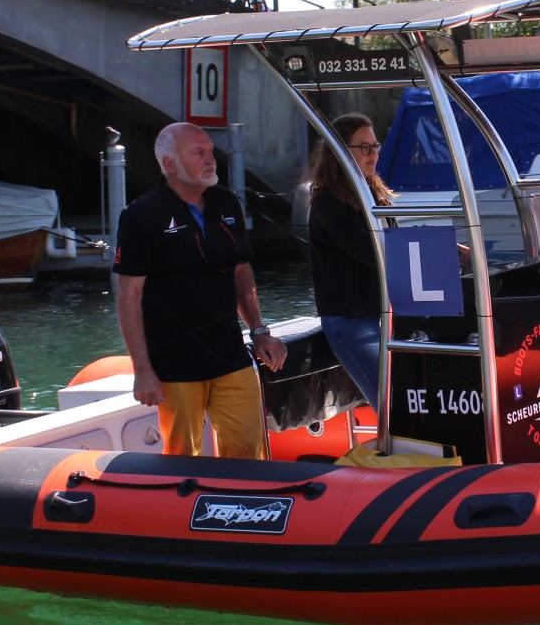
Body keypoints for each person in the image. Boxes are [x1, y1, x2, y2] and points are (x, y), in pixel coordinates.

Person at [114, 122, 287, 457]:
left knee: (250, 455)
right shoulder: (142, 215)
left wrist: (260, 331)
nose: (211, 159)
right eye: (199, 153)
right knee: (182, 460)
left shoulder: (226, 203)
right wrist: (142, 370)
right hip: (174, 364)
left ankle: (246, 508)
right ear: (169, 164)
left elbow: (241, 271)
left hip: (230, 354)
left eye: (210, 151)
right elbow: (128, 296)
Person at [305, 113, 393, 407]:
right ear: (341, 152)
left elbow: (393, 241)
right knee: (389, 402)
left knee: (403, 396)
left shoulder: (373, 193)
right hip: (350, 320)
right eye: (364, 147)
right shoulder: (327, 202)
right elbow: (371, 251)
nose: (374, 154)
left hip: (383, 314)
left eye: (375, 146)